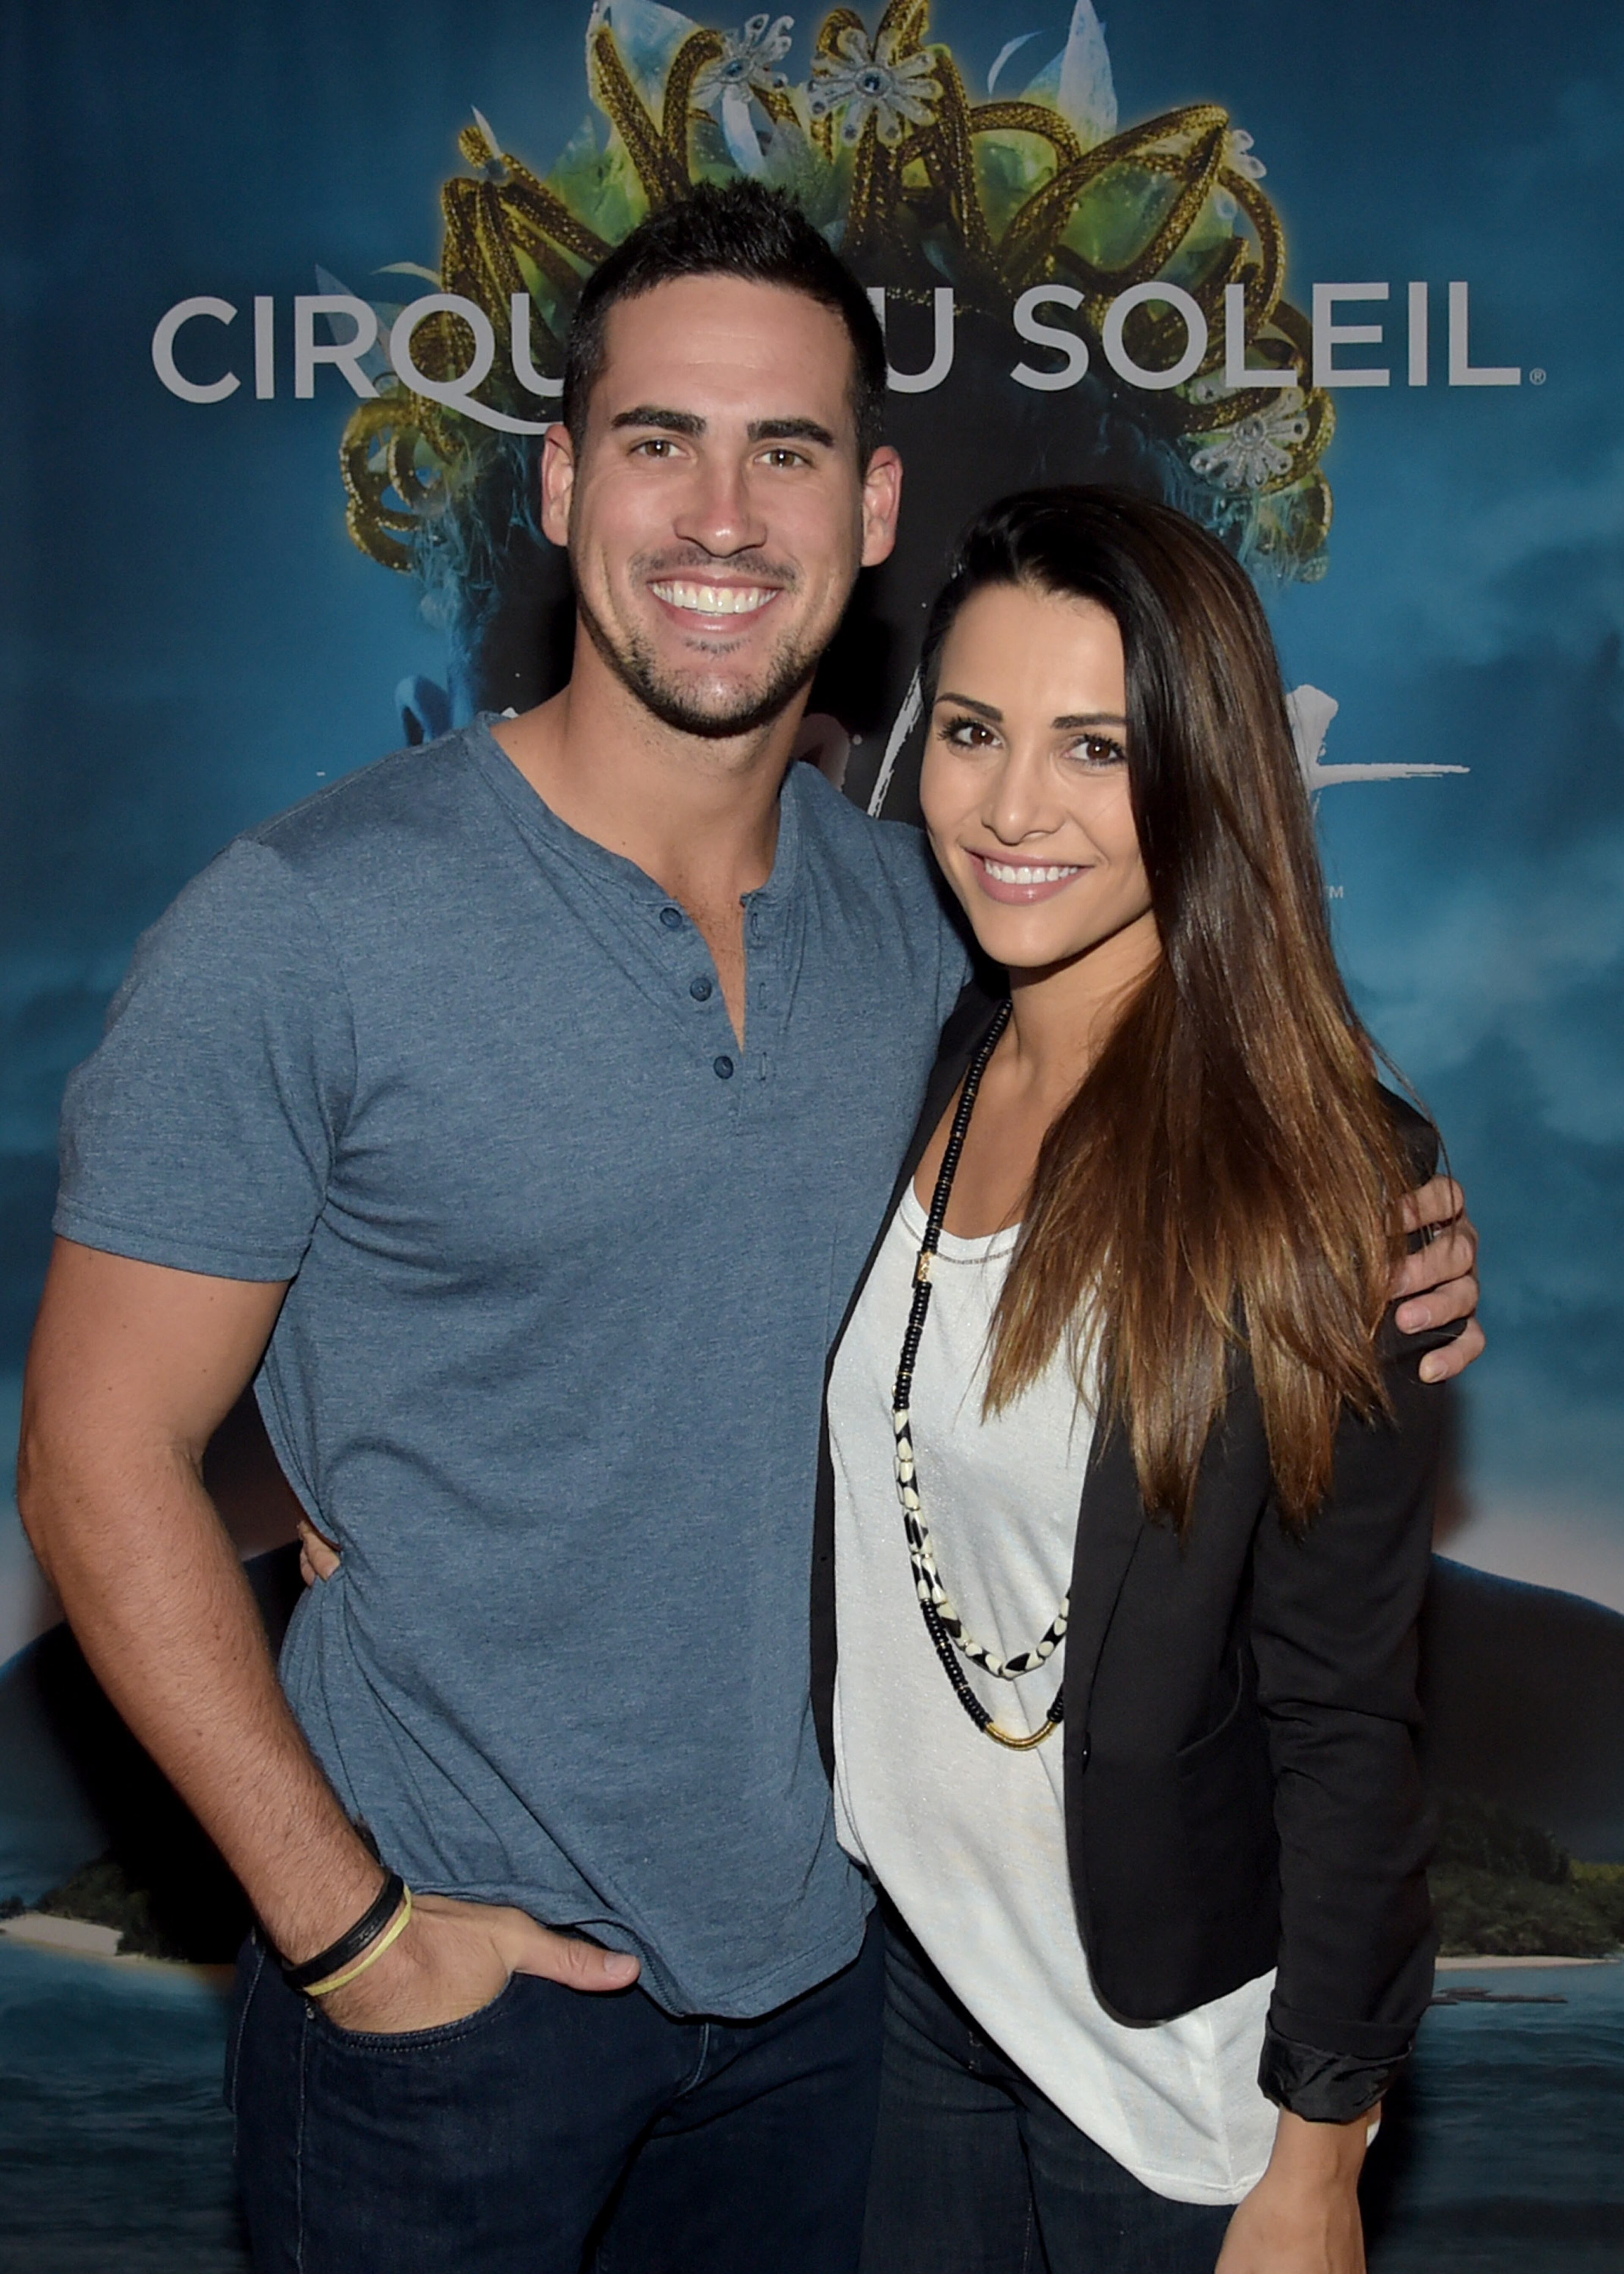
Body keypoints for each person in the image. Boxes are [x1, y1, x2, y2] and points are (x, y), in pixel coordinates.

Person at [16, 186, 1479, 2274]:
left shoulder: (930, 922)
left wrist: (1390, 1226)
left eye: (785, 449)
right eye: (657, 442)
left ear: (874, 505)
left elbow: (1193, 1111)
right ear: (557, 484)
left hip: (838, 2014)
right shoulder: (304, 930)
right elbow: (94, 1460)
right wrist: (348, 1929)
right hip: (461, 2017)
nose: (722, 513)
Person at [816, 487, 1458, 2274]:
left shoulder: (1334, 1186)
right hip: (907, 2002)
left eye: (1096, 748)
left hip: (1173, 2087)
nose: (1013, 809)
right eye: (971, 732)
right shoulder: (922, 1057)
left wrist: (1319, 2157)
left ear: (1206, 770)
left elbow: (1347, 1720)